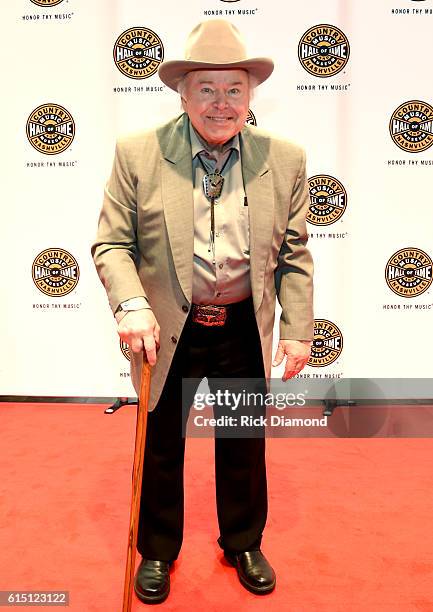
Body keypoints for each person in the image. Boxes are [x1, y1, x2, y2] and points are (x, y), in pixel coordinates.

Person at [92, 19, 313, 605]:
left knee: (243, 441)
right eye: (207, 89)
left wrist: (296, 330)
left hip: (241, 322)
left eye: (233, 89)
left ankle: (242, 540)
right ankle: (157, 551)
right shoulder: (139, 153)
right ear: (183, 93)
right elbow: (112, 244)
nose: (221, 103)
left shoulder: (284, 158)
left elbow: (294, 253)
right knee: (162, 440)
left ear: (251, 94)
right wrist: (133, 303)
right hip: (166, 326)